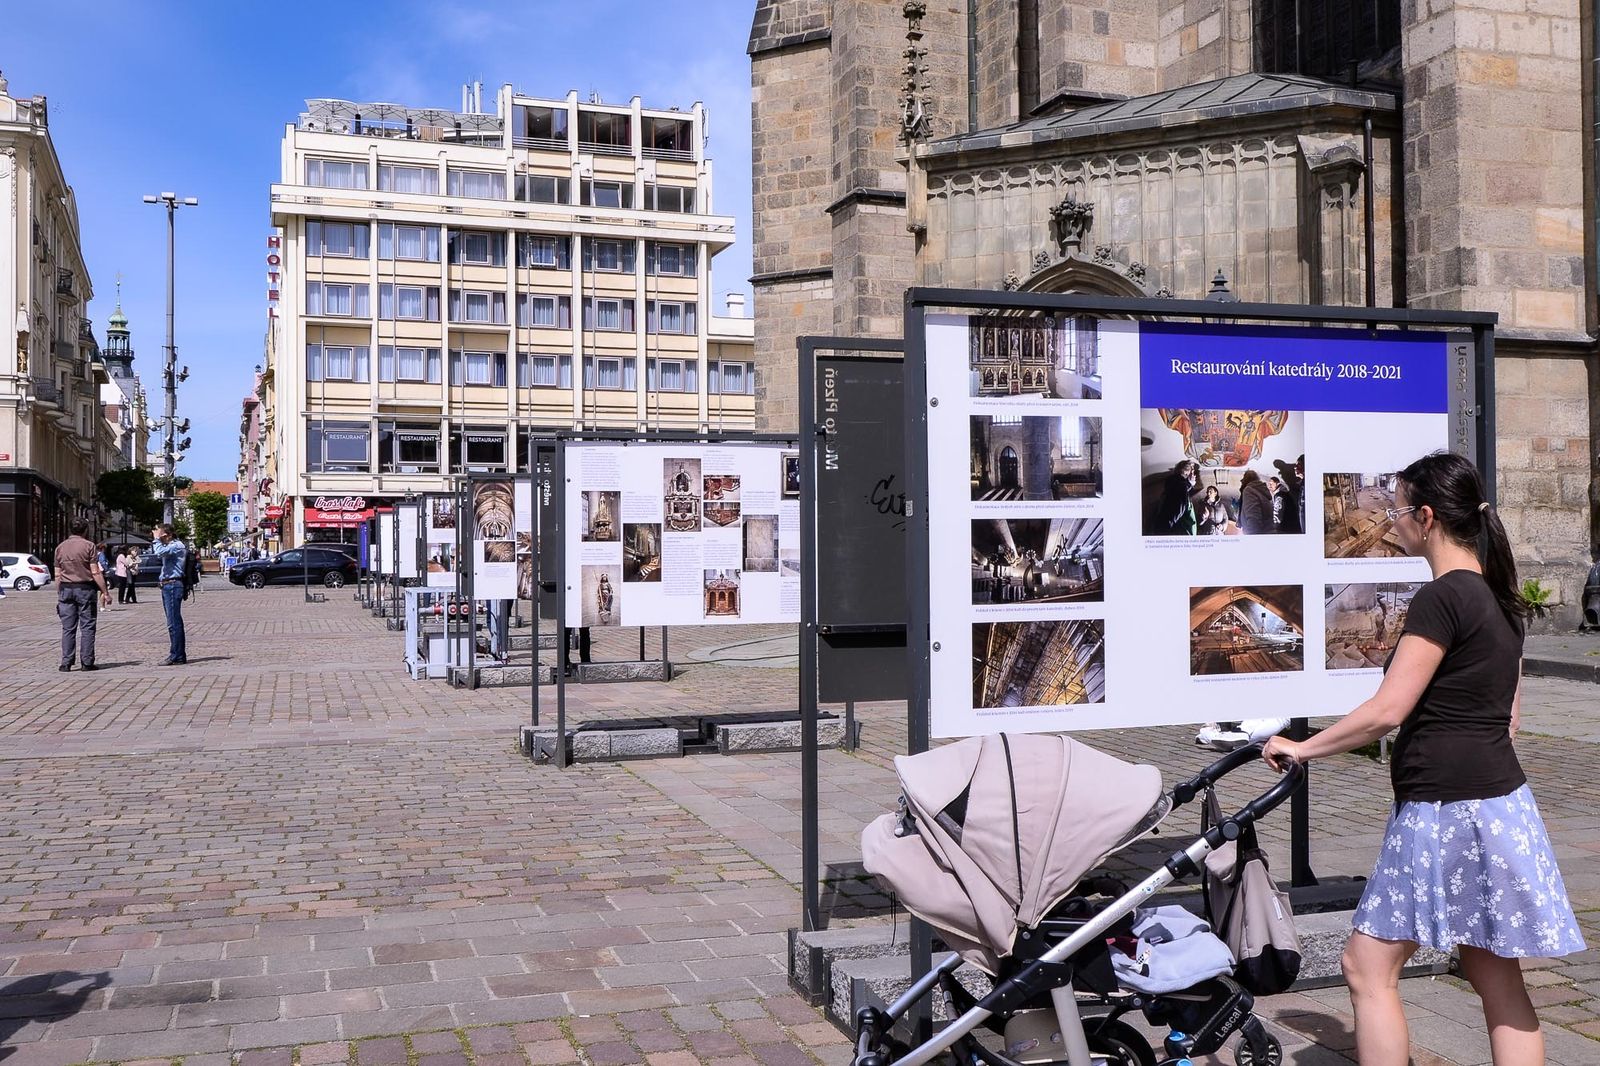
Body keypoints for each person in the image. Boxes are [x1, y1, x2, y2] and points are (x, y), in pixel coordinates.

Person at [1263, 451, 1584, 1066]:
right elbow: (1507, 718)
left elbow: (1388, 710)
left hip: (1444, 808)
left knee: (1365, 965)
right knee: (1496, 976)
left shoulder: (1442, 599)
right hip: (1499, 805)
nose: (1393, 520)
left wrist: (1301, 747)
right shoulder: (1502, 602)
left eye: (1400, 509)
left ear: (1427, 517)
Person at [54, 520, 111, 671]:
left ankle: (66, 663)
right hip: (85, 589)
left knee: (68, 628)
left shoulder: (60, 547)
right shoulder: (89, 546)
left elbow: (57, 575)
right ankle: (86, 662)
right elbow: (95, 572)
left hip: (66, 589)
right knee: (87, 627)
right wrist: (105, 592)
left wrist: (59, 593)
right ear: (85, 530)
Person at [151, 523, 189, 665]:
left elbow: (159, 553)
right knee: (172, 622)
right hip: (168, 585)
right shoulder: (170, 546)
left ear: (169, 535)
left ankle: (176, 655)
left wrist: (156, 539)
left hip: (173, 584)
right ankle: (178, 654)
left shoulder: (177, 545)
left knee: (174, 622)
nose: (160, 538)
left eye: (162, 535)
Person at [1153, 459, 1199, 535]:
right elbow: (1174, 512)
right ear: (1185, 472)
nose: (1193, 474)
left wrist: (1189, 484)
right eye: (1192, 471)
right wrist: (1189, 484)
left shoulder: (1177, 486)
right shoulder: (1180, 486)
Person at [1237, 469, 1274, 534]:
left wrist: (1253, 539)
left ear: (1247, 479)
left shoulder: (1249, 490)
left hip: (1257, 536)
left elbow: (1254, 519)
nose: (1241, 481)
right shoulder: (1262, 491)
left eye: (1243, 478)